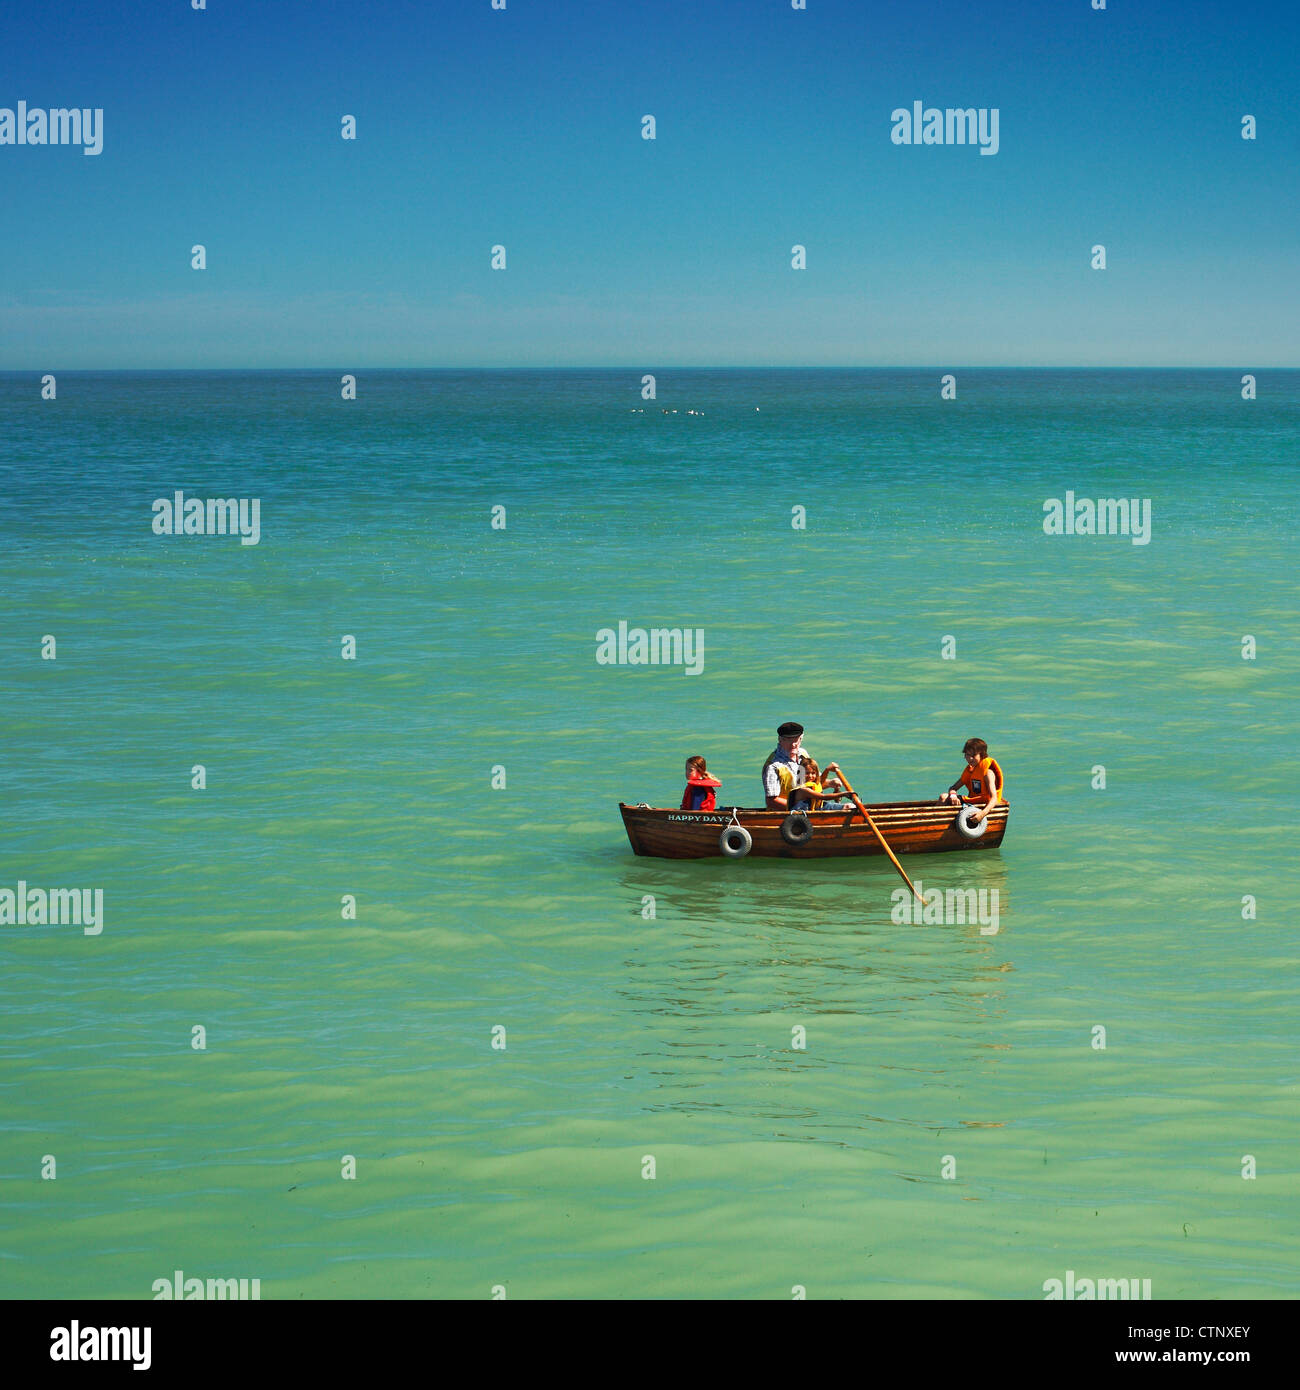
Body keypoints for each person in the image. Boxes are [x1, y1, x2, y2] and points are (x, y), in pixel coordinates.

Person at [940, 737, 1005, 827]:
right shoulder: (970, 770)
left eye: (973, 756)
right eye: (967, 755)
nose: (969, 759)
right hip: (972, 802)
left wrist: (982, 814)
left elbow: (994, 798)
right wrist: (953, 795)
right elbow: (953, 788)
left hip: (983, 805)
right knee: (943, 797)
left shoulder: (988, 773)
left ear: (982, 755)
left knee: (944, 798)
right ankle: (940, 826)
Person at [762, 722, 810, 810]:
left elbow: (807, 783)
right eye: (788, 740)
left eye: (796, 740)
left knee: (843, 807)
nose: (793, 744)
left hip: (807, 809)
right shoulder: (773, 766)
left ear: (801, 738)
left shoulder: (803, 754)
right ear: (780, 740)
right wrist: (799, 808)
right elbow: (771, 801)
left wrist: (830, 783)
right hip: (786, 817)